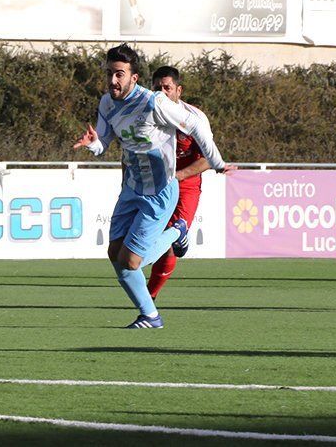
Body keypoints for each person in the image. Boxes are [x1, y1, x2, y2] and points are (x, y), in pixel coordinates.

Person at [73, 45, 234, 329]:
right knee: (115, 255)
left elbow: (196, 126)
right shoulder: (107, 103)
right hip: (132, 188)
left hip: (159, 192)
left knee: (132, 260)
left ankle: (177, 231)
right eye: (109, 74)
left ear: (134, 78)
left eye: (119, 74)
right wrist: (93, 144)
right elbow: (104, 143)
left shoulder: (154, 103)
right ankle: (150, 315)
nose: (113, 81)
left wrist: (217, 162)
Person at [147, 66, 213, 300]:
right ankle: (148, 297)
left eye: (167, 88)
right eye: (157, 88)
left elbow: (208, 159)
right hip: (155, 185)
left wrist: (178, 177)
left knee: (170, 240)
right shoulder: (146, 116)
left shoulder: (194, 118)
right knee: (153, 242)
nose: (162, 93)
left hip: (186, 184)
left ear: (178, 90)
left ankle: (149, 296)